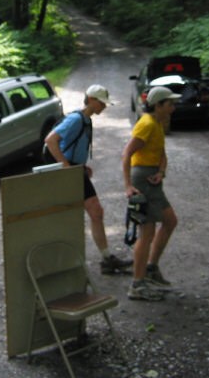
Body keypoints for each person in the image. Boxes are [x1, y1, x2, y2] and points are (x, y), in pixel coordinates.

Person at [44, 84, 133, 275]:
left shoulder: (86, 120)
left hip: (76, 171)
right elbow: (50, 140)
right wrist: (66, 166)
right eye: (102, 103)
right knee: (79, 214)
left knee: (96, 212)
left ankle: (107, 259)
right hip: (67, 173)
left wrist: (81, 166)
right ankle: (62, 263)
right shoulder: (76, 119)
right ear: (91, 100)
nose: (104, 106)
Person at [122, 86, 180, 301]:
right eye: (170, 104)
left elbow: (162, 154)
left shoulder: (158, 123)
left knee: (170, 221)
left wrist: (162, 172)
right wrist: (128, 185)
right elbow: (126, 153)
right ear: (158, 105)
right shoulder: (146, 124)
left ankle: (151, 269)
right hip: (141, 180)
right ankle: (137, 285)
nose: (173, 107)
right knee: (146, 232)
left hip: (153, 178)